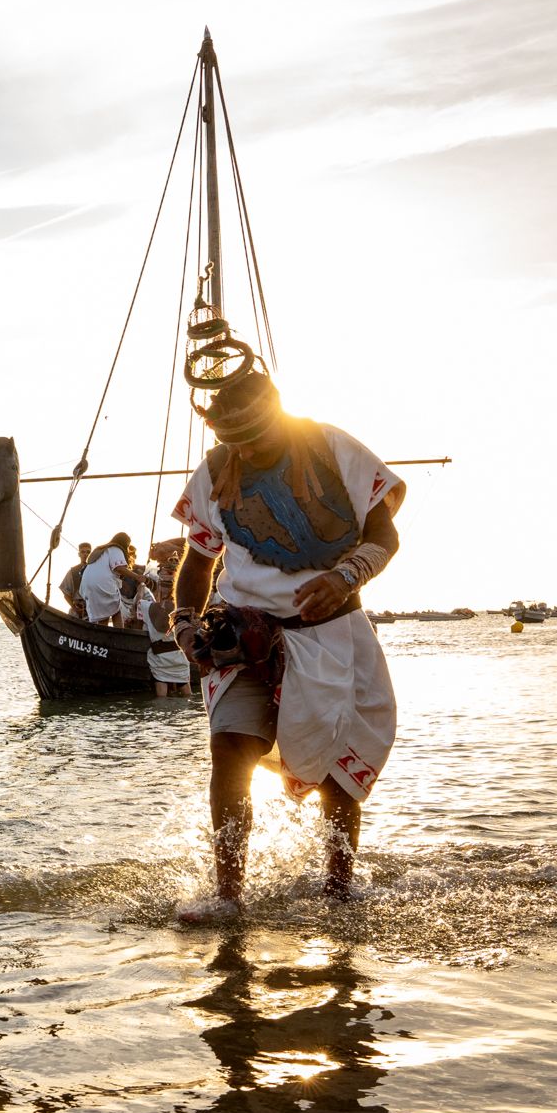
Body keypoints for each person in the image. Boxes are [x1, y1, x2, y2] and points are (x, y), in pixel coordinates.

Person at [169, 365, 405, 920]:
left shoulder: (331, 447)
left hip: (331, 636)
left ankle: (339, 891)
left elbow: (385, 536)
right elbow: (197, 561)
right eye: (235, 442)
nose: (246, 451)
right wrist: (183, 622)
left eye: (256, 437)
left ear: (277, 409)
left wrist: (344, 577)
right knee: (228, 749)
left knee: (338, 774)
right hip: (243, 635)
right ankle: (227, 896)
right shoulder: (215, 471)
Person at [144, 572, 191, 697]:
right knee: (187, 694)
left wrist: (139, 592)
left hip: (161, 659)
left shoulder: (146, 606)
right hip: (180, 659)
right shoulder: (183, 609)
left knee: (161, 697)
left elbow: (134, 612)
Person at [79, 532, 136, 624]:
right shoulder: (116, 549)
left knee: (107, 612)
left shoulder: (101, 550)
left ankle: (104, 635)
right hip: (101, 584)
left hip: (86, 586)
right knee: (115, 609)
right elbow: (119, 567)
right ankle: (120, 635)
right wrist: (138, 577)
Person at [58, 542, 93, 619]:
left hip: (93, 610)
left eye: (88, 552)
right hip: (77, 611)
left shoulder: (94, 570)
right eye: (83, 552)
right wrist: (74, 608)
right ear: (79, 554)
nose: (85, 554)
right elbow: (66, 593)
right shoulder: (73, 571)